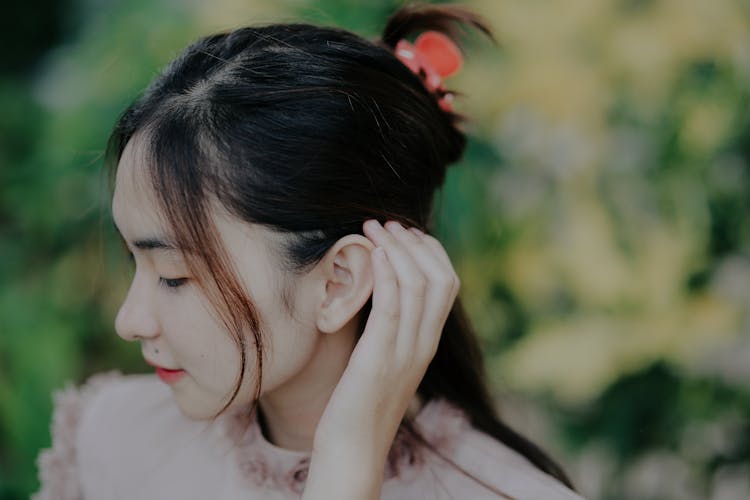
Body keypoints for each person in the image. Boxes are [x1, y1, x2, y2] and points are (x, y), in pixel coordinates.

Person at [33, 4, 584, 499]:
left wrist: (348, 465)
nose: (129, 321)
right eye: (137, 261)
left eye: (174, 276)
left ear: (340, 281)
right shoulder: (116, 445)